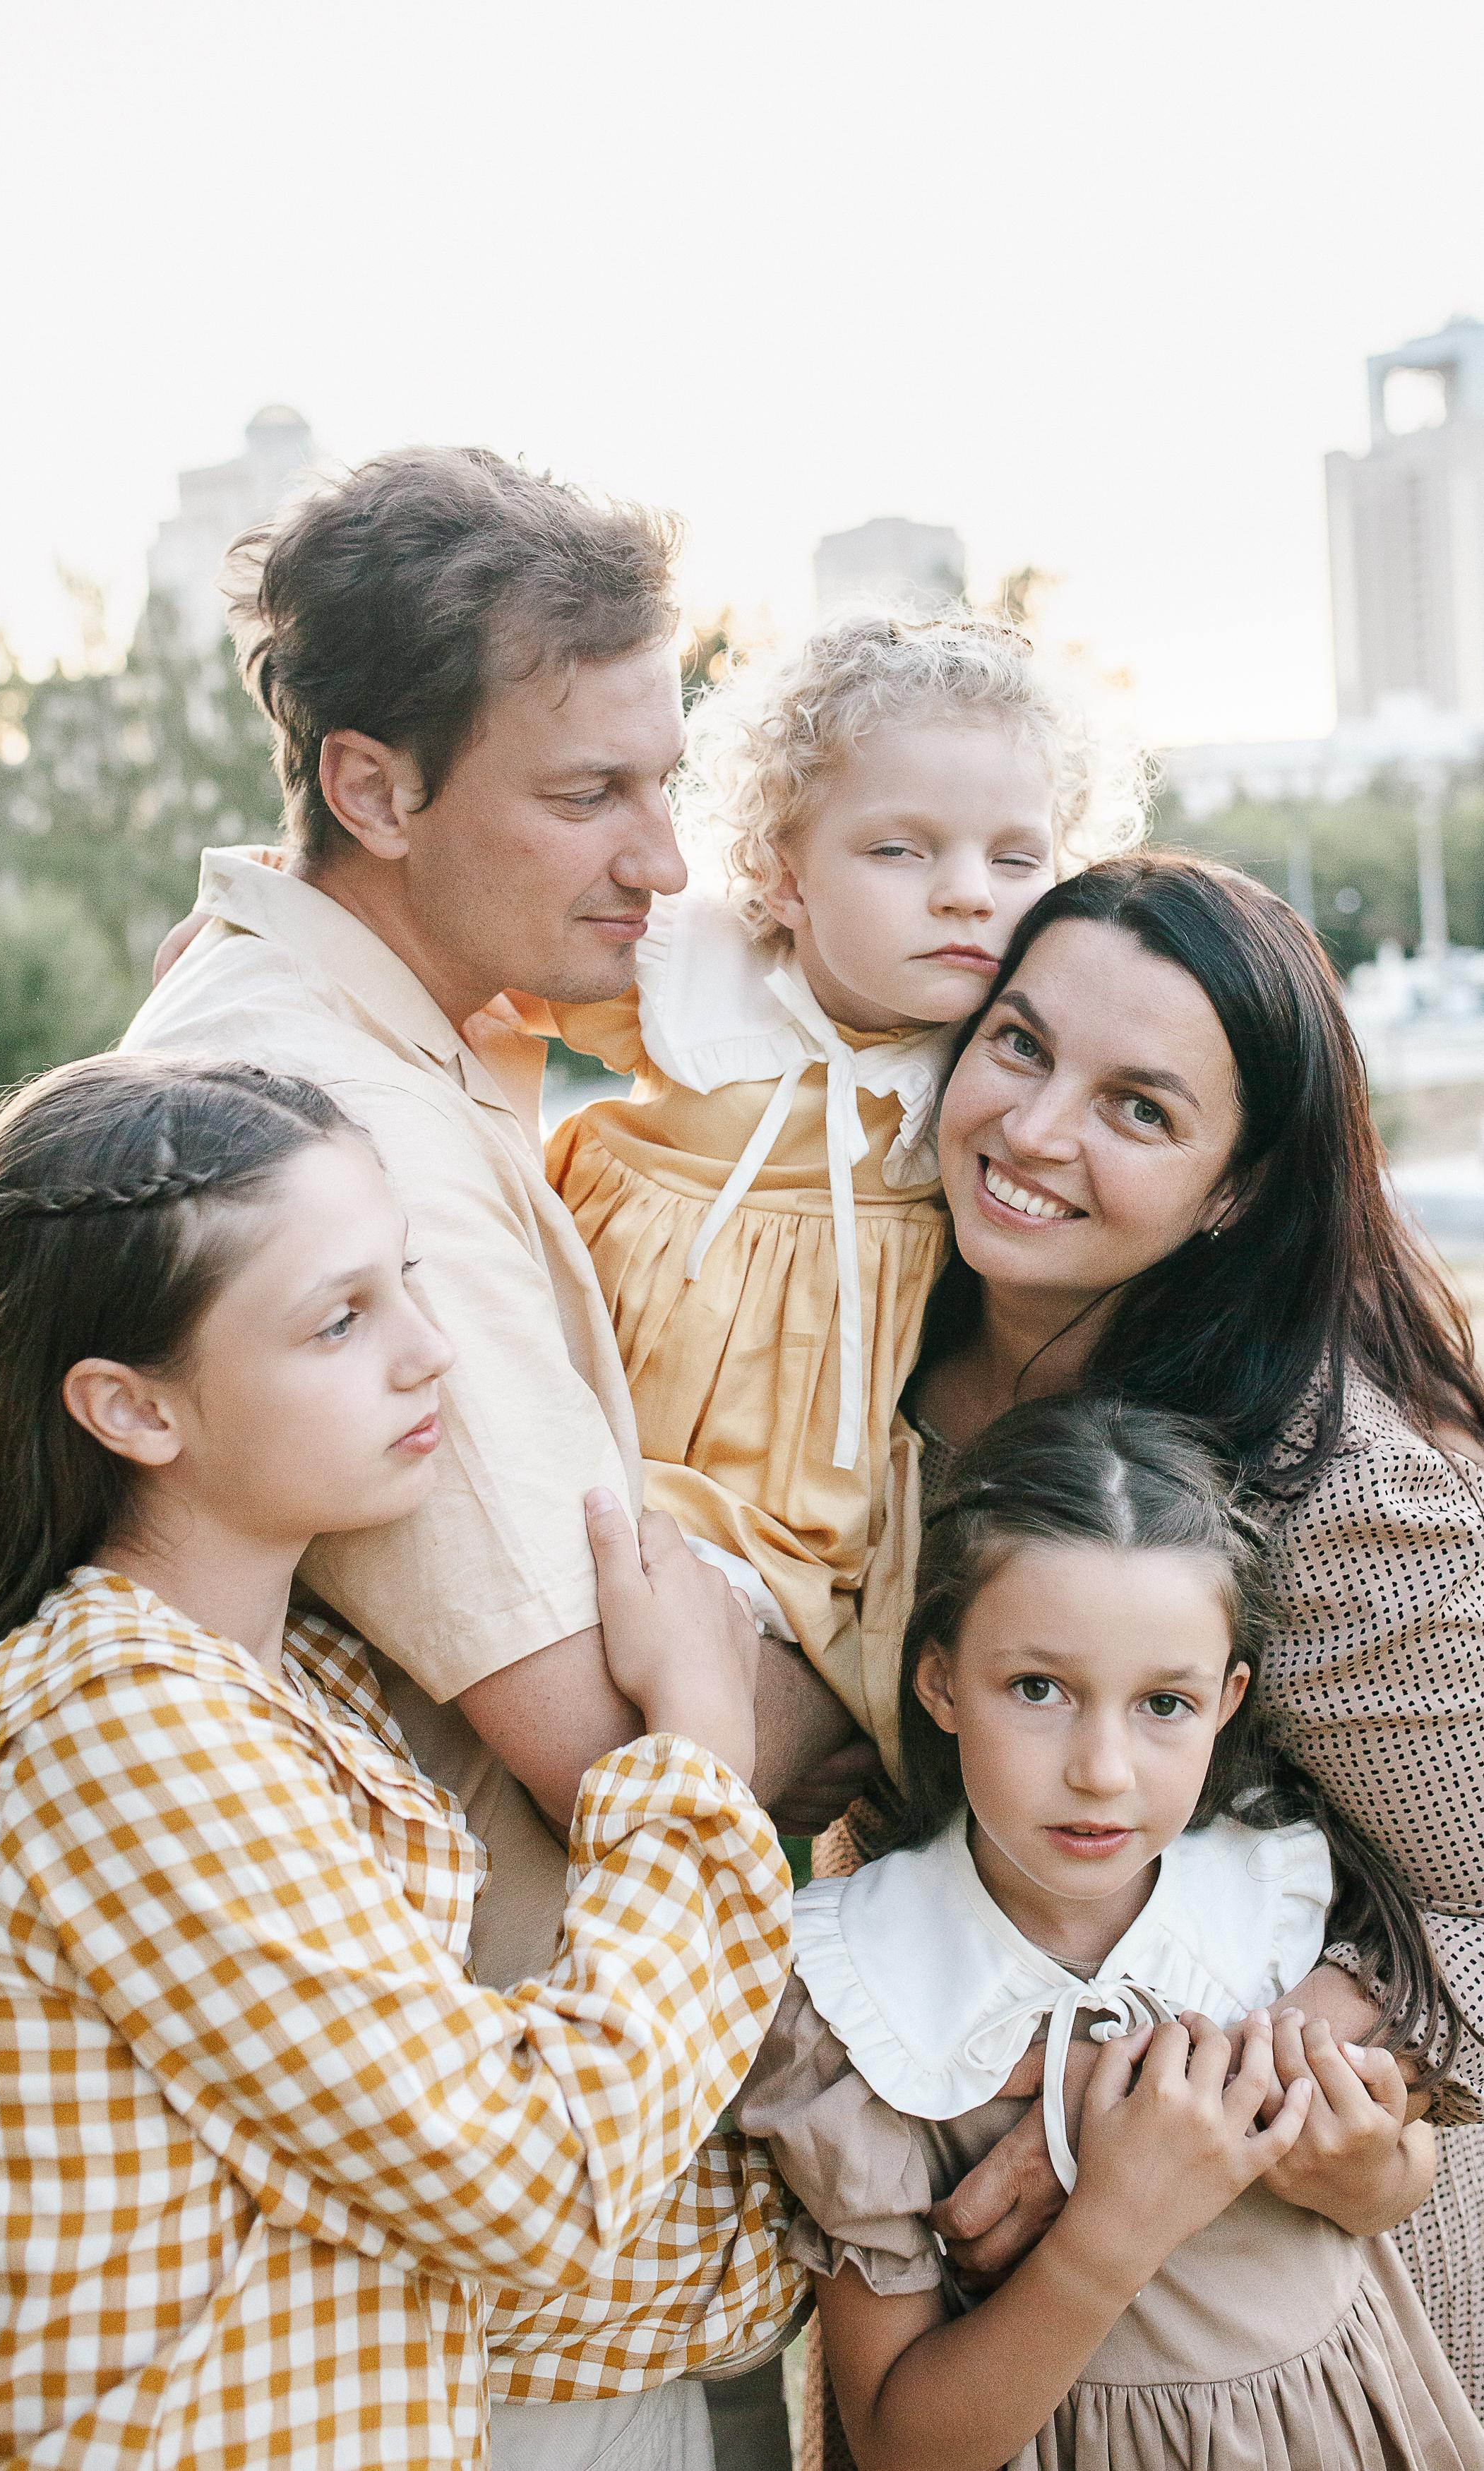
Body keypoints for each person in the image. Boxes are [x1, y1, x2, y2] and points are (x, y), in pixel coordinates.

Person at [126, 445, 846, 2466]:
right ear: (372, 786)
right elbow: (614, 1735)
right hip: (511, 2248)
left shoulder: (360, 1030)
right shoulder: (332, 1119)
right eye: (584, 793)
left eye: (666, 780)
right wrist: (963, 1675)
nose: (669, 860)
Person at [0, 1053, 806, 2471]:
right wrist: (700, 1769)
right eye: (340, 1320)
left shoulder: (296, 1687)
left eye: (409, 1279)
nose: (430, 1350)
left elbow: (381, 2252)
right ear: (136, 1409)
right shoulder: (115, 1738)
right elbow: (522, 2176)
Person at [885, 854, 1484, 2405]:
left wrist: (1158, 2086)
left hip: (1299, 2304)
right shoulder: (874, 1338)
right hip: (980, 2301)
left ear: (1234, 1190)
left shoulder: (1324, 1483)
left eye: (1139, 1108)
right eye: (1018, 1045)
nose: (1031, 1131)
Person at [742, 1396, 1483, 2471]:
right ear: (939, 1679)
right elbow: (901, 2444)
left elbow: (1387, 2189)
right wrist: (1108, 2234)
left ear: (1229, 1699)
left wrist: (1359, 2170)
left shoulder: (1279, 1887)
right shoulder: (863, 1994)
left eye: (1162, 1704)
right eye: (1037, 1688)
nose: (1101, 1769)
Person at [545, 610, 1143, 1754]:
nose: (968, 894)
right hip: (592, 1421)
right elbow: (468, 965)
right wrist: (301, 920)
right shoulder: (690, 978)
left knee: (698, 1718)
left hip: (798, 1529)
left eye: (1014, 859)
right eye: (899, 851)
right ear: (782, 877)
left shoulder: (999, 1079)